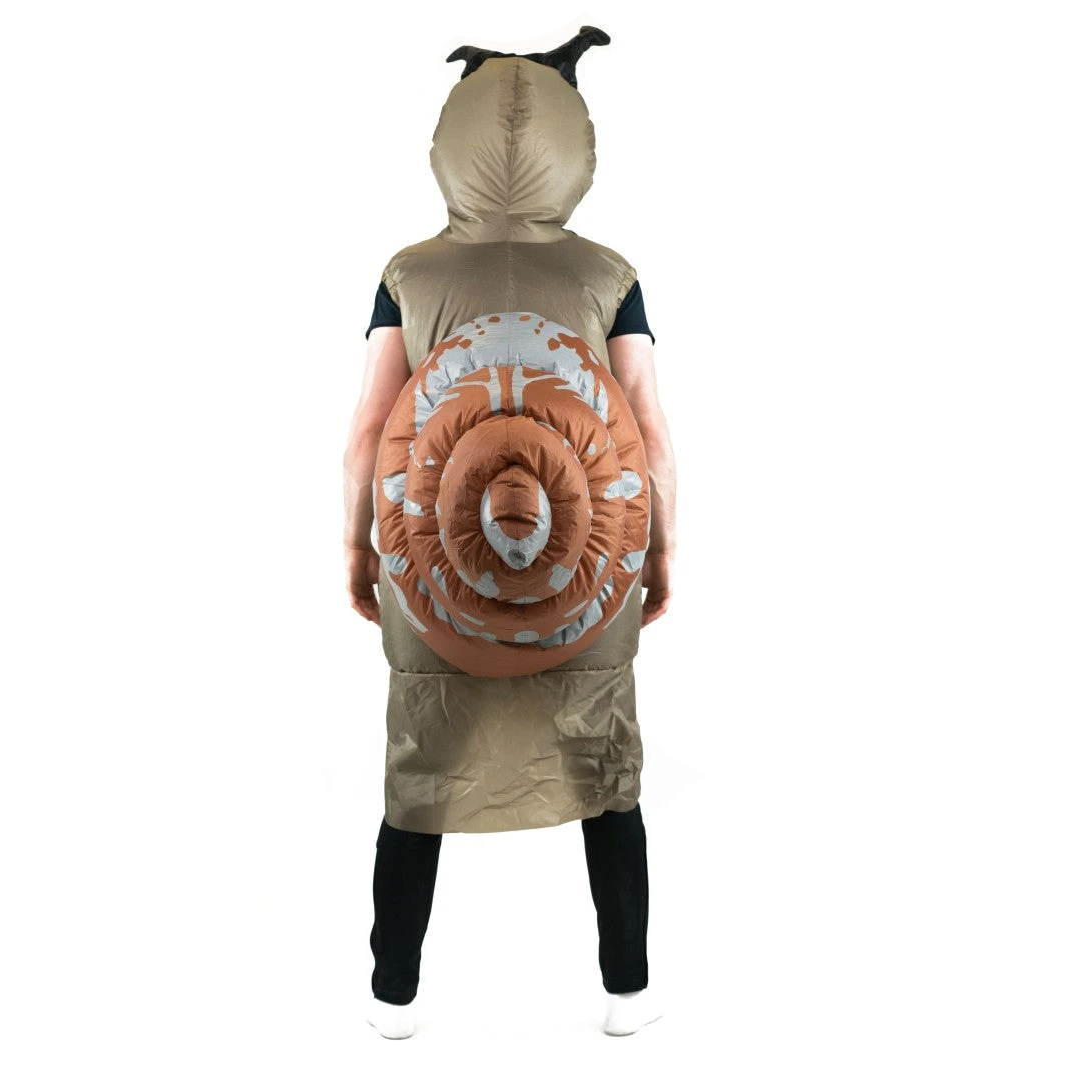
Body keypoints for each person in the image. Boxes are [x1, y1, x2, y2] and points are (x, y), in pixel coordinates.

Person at [341, 30, 677, 1039]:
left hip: (433, 568)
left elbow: (369, 430)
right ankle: (628, 994)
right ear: (576, 146)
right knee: (606, 772)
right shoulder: (609, 273)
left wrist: (358, 550)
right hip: (589, 570)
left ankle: (393, 999)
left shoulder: (410, 273)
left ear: (452, 140)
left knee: (420, 771)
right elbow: (648, 432)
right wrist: (659, 553)